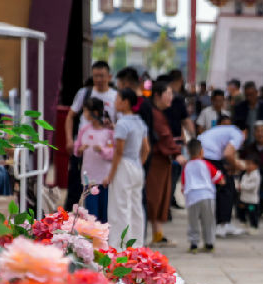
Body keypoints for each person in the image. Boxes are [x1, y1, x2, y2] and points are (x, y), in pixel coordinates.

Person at [64, 61, 117, 210]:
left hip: (105, 150)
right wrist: (70, 140)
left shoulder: (115, 96)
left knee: (103, 191)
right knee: (76, 185)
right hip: (84, 147)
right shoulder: (84, 93)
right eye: (95, 76)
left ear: (109, 76)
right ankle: (71, 220)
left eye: (102, 76)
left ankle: (100, 225)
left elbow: (119, 122)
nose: (99, 79)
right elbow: (70, 116)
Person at [105, 88, 149, 248]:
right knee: (136, 206)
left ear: (125, 102)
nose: (115, 102)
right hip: (137, 165)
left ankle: (120, 246)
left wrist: (110, 175)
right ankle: (137, 244)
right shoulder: (139, 122)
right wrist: (138, 164)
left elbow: (119, 151)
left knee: (120, 207)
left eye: (118, 99)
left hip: (124, 165)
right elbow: (146, 149)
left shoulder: (123, 123)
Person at [145, 81, 182, 246]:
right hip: (155, 161)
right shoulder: (154, 114)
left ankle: (158, 234)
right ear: (158, 95)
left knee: (160, 198)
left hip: (161, 161)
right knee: (154, 197)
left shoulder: (159, 113)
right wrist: (176, 153)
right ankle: (152, 234)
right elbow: (164, 136)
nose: (171, 97)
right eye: (168, 93)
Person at [198, 117, 246, 237]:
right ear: (245, 131)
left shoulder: (226, 130)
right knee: (226, 187)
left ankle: (223, 222)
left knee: (221, 186)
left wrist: (231, 165)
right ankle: (222, 224)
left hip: (202, 152)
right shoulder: (238, 134)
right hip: (209, 155)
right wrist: (237, 165)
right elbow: (228, 154)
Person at [74, 97, 114, 222]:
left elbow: (114, 153)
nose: (84, 114)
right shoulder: (84, 130)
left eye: (86, 111)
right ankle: (93, 238)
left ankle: (104, 239)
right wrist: (80, 149)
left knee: (105, 212)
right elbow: (77, 149)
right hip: (89, 178)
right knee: (91, 213)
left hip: (105, 178)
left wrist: (102, 150)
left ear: (95, 113)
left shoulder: (109, 132)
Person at [182, 138, 224, 253]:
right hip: (207, 196)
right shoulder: (206, 164)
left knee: (193, 221)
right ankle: (209, 243)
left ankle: (194, 244)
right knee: (209, 221)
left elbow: (183, 184)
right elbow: (219, 178)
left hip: (192, 197)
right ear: (202, 151)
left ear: (188, 152)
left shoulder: (187, 166)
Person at [163, 70, 195, 210]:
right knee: (173, 174)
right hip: (173, 143)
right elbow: (185, 121)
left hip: (163, 141)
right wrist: (194, 139)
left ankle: (167, 202)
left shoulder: (160, 96)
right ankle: (166, 205)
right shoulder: (178, 99)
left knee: (166, 174)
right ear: (180, 80)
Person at [235, 156, 262, 232]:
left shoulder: (256, 175)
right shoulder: (245, 174)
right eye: (247, 164)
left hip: (251, 201)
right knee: (241, 209)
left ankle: (254, 226)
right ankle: (243, 221)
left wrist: (242, 186)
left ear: (256, 166)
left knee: (252, 213)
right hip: (243, 199)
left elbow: (253, 186)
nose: (248, 166)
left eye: (250, 164)